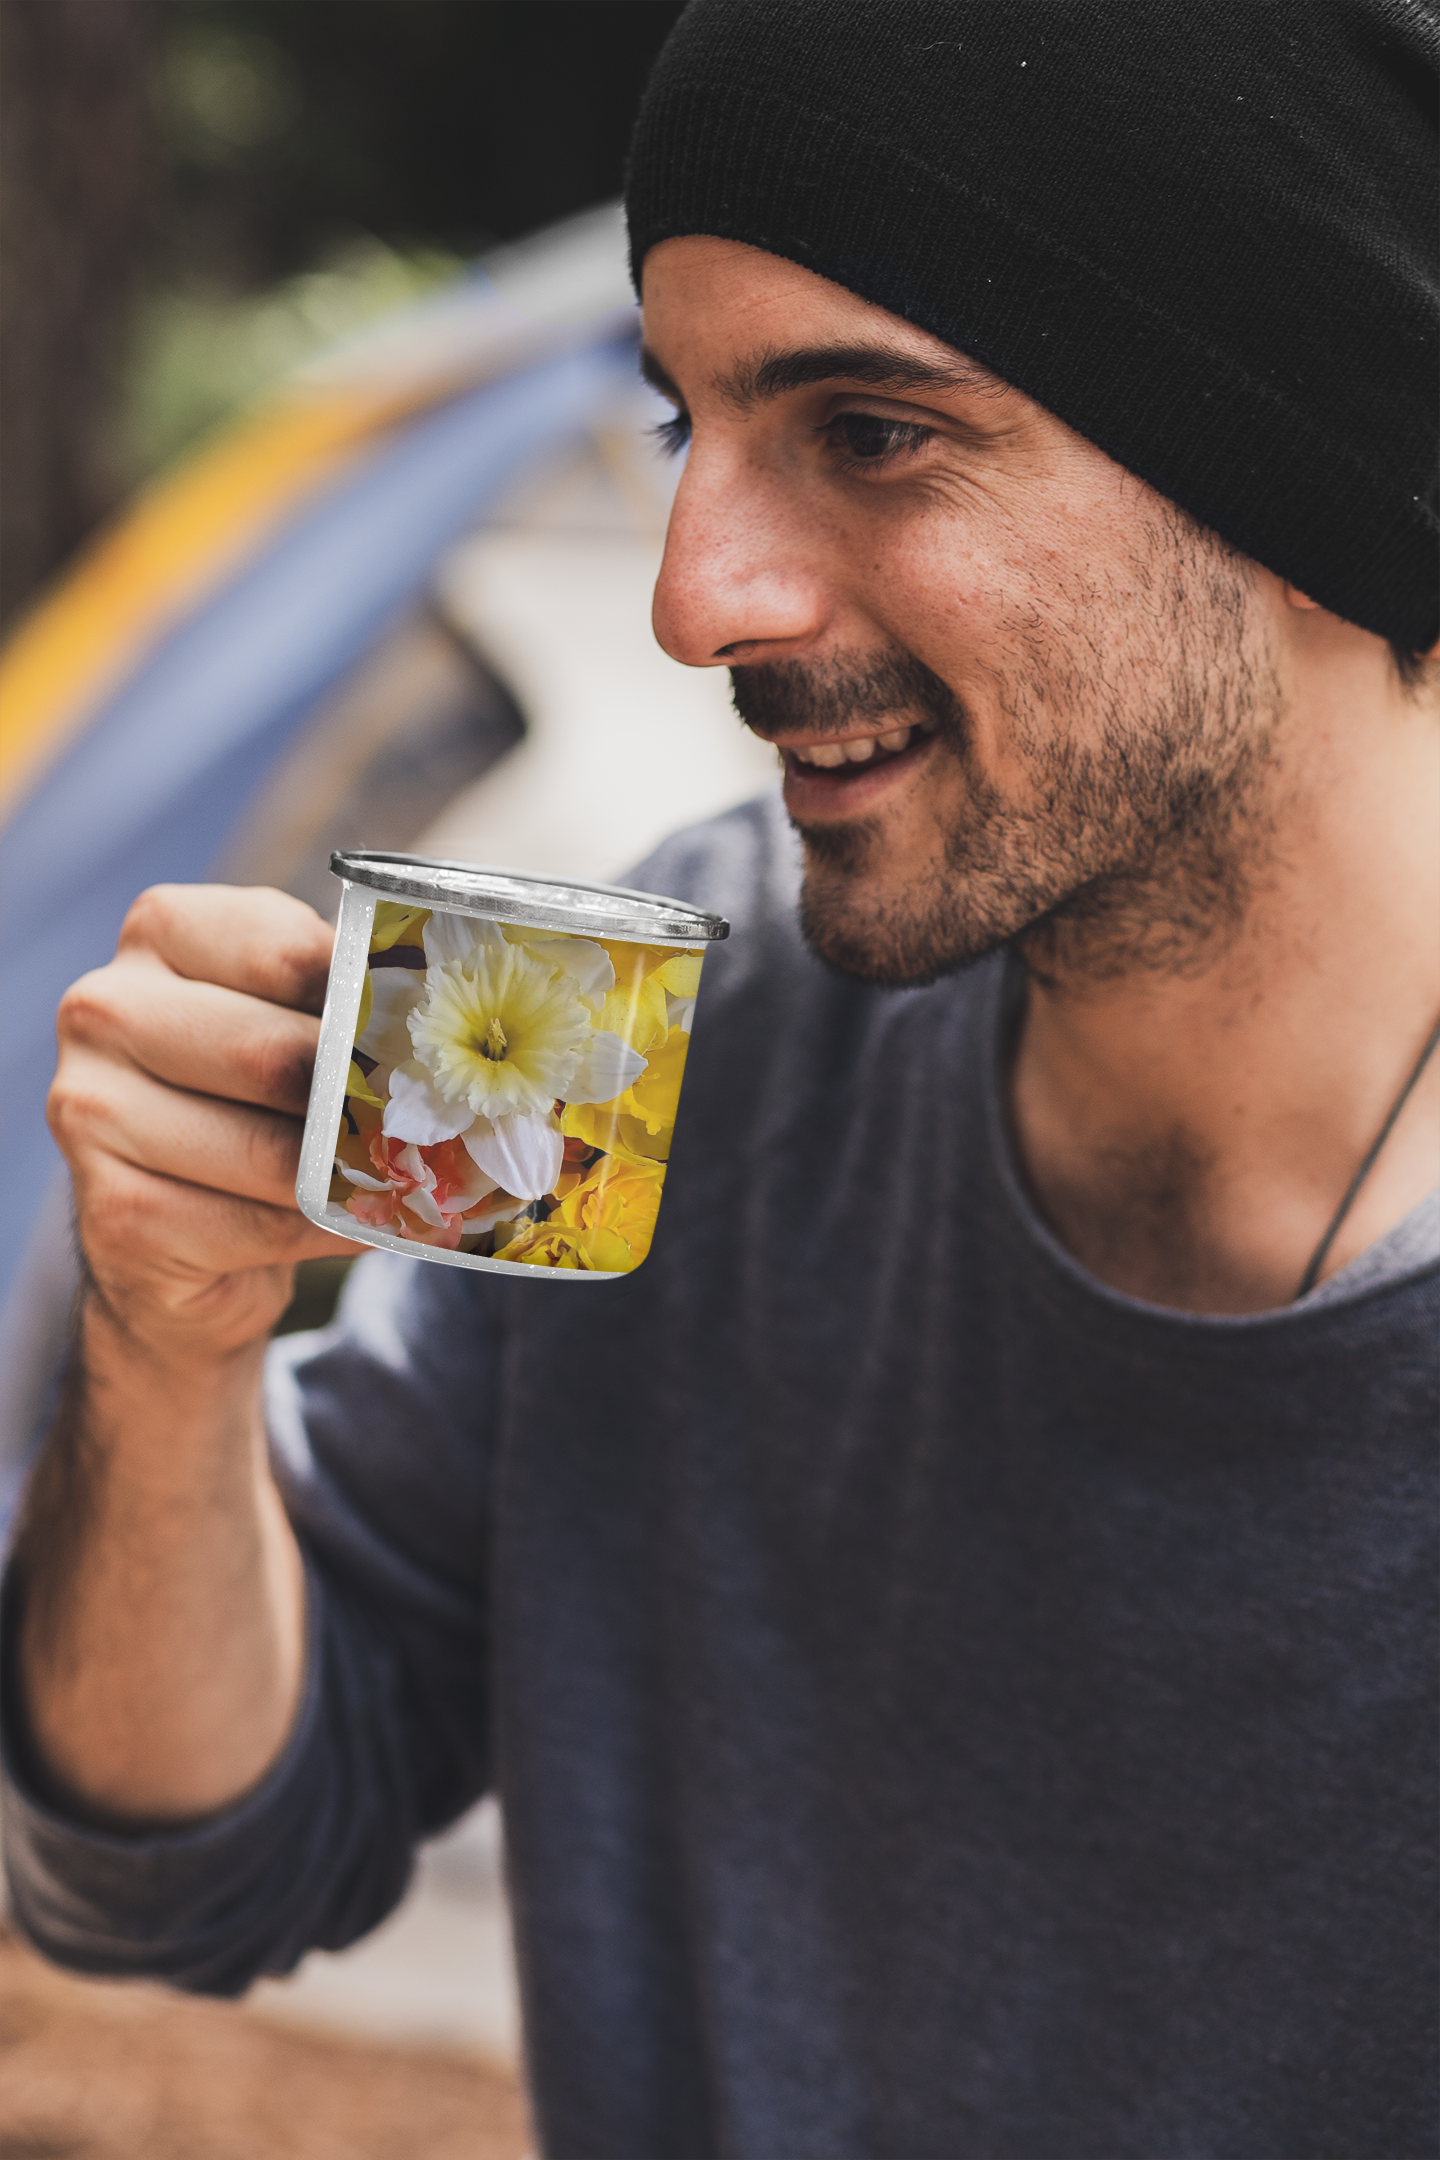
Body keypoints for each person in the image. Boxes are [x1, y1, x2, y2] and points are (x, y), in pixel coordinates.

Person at [4, 3, 1436, 2154]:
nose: (697, 602)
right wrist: (170, 1349)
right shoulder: (699, 1046)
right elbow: (178, 1865)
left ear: (1300, 451)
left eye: (871, 428)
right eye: (684, 430)